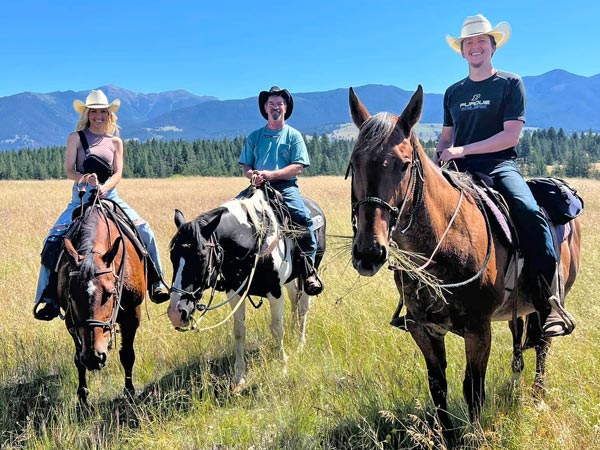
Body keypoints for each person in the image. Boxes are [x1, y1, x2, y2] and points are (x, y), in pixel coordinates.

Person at [436, 14, 575, 337]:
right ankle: (420, 303)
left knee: (528, 212)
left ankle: (548, 301)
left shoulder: (510, 84)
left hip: (499, 166)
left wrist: (462, 151)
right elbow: (446, 137)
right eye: (469, 43)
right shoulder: (453, 92)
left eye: (481, 42)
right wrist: (441, 156)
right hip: (458, 171)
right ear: (462, 51)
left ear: (493, 47)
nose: (475, 48)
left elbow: (510, 136)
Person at [33, 89, 170, 321]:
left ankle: (157, 282)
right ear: (87, 114)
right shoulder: (75, 138)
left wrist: (106, 187)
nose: (99, 116)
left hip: (110, 197)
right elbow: (70, 170)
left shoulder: (115, 141)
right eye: (94, 112)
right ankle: (48, 297)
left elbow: (118, 173)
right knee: (53, 239)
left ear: (109, 114)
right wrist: (84, 179)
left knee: (145, 229)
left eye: (103, 112)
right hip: (82, 198)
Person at [238, 86, 323, 296]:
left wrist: (270, 175)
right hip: (257, 187)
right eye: (271, 104)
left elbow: (298, 167)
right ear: (265, 108)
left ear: (285, 108)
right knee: (230, 215)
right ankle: (231, 271)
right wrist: (254, 176)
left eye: (279, 104)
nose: (275, 107)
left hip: (285, 187)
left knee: (302, 218)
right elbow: (246, 167)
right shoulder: (255, 136)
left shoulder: (293, 136)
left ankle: (308, 270)